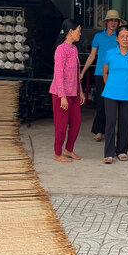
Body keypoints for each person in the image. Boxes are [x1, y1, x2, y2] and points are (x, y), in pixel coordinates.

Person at [80, 9, 125, 142]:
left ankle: (109, 129)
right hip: (100, 73)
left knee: (114, 103)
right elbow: (92, 56)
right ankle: (99, 130)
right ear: (106, 22)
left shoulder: (120, 37)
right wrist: (82, 72)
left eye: (115, 21)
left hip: (116, 74)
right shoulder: (98, 37)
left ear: (118, 23)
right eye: (110, 20)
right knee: (101, 102)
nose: (113, 23)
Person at [101, 25, 128, 164]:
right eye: (122, 36)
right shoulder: (110, 53)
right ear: (117, 38)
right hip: (110, 94)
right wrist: (111, 85)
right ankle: (109, 153)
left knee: (125, 123)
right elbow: (104, 72)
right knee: (110, 122)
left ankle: (122, 151)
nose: (125, 39)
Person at [49, 19, 86, 163]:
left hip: (74, 93)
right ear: (70, 32)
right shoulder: (61, 49)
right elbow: (58, 74)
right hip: (61, 94)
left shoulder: (74, 49)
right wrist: (62, 96)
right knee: (61, 126)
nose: (80, 34)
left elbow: (77, 73)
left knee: (76, 123)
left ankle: (68, 150)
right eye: (78, 31)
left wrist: (81, 91)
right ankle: (57, 153)